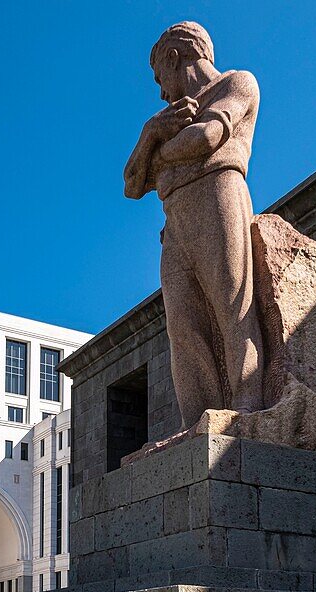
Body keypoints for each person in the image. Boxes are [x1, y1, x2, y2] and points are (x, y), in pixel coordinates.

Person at [124, 21, 267, 430]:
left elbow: (206, 138)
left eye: (159, 78)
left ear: (173, 58)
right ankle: (198, 425)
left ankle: (248, 413)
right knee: (182, 328)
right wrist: (151, 131)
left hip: (217, 195)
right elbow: (132, 183)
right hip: (175, 222)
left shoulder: (237, 83)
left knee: (233, 307)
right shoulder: (163, 120)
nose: (161, 92)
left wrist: (159, 151)